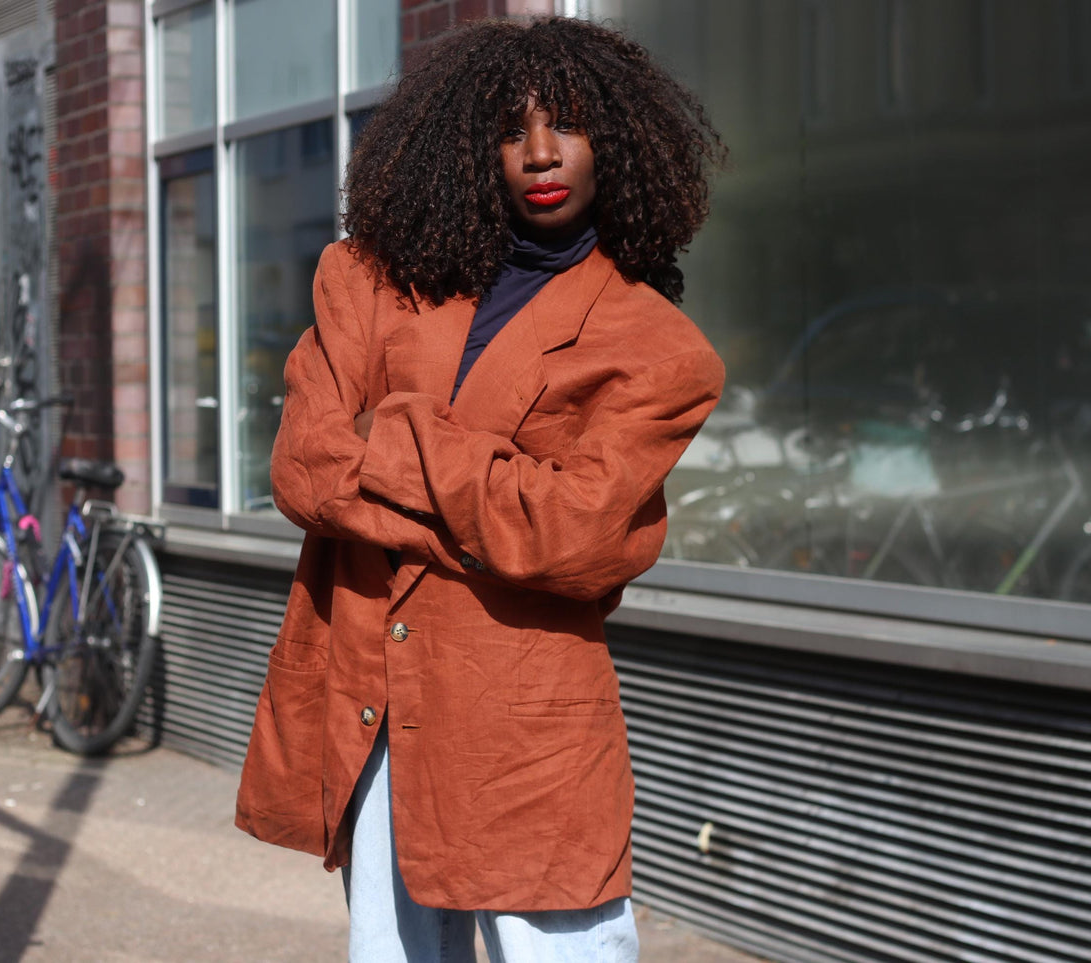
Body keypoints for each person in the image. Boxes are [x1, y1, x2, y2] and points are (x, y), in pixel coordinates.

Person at [234, 16, 726, 963]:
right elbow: (302, 466)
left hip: (524, 730)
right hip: (368, 697)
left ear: (617, 144)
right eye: (510, 129)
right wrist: (505, 515)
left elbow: (570, 537)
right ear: (467, 144)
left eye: (569, 125)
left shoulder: (657, 347)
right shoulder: (371, 280)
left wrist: (401, 433)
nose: (540, 153)